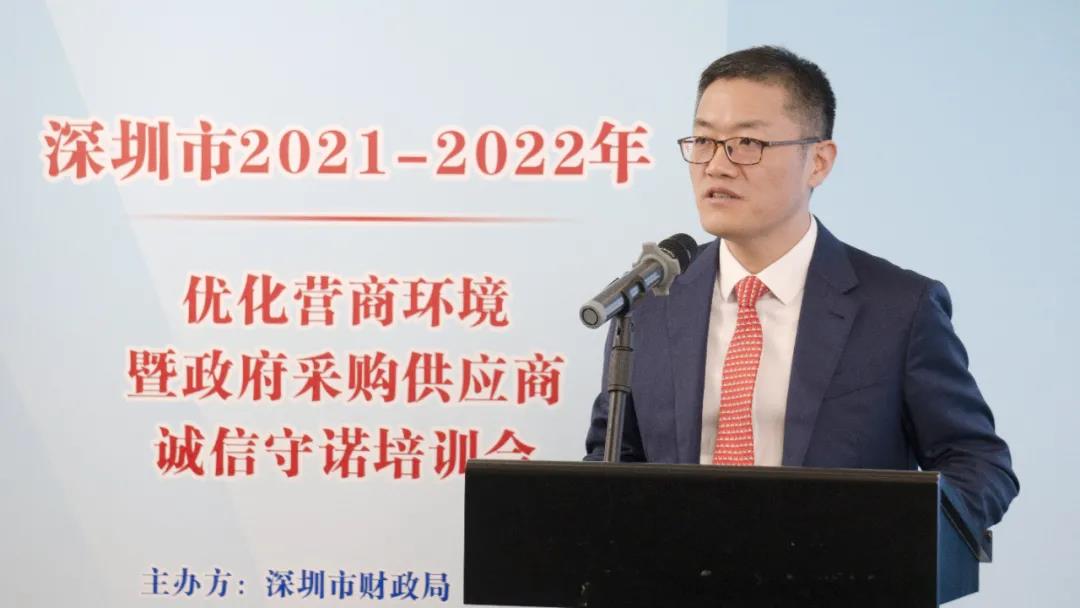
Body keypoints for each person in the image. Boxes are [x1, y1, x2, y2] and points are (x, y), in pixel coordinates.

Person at [583, 45, 1018, 532]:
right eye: (703, 141)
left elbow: (978, 465)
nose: (717, 165)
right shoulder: (650, 302)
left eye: (747, 143)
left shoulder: (899, 309)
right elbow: (613, 460)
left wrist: (891, 540)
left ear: (819, 161)